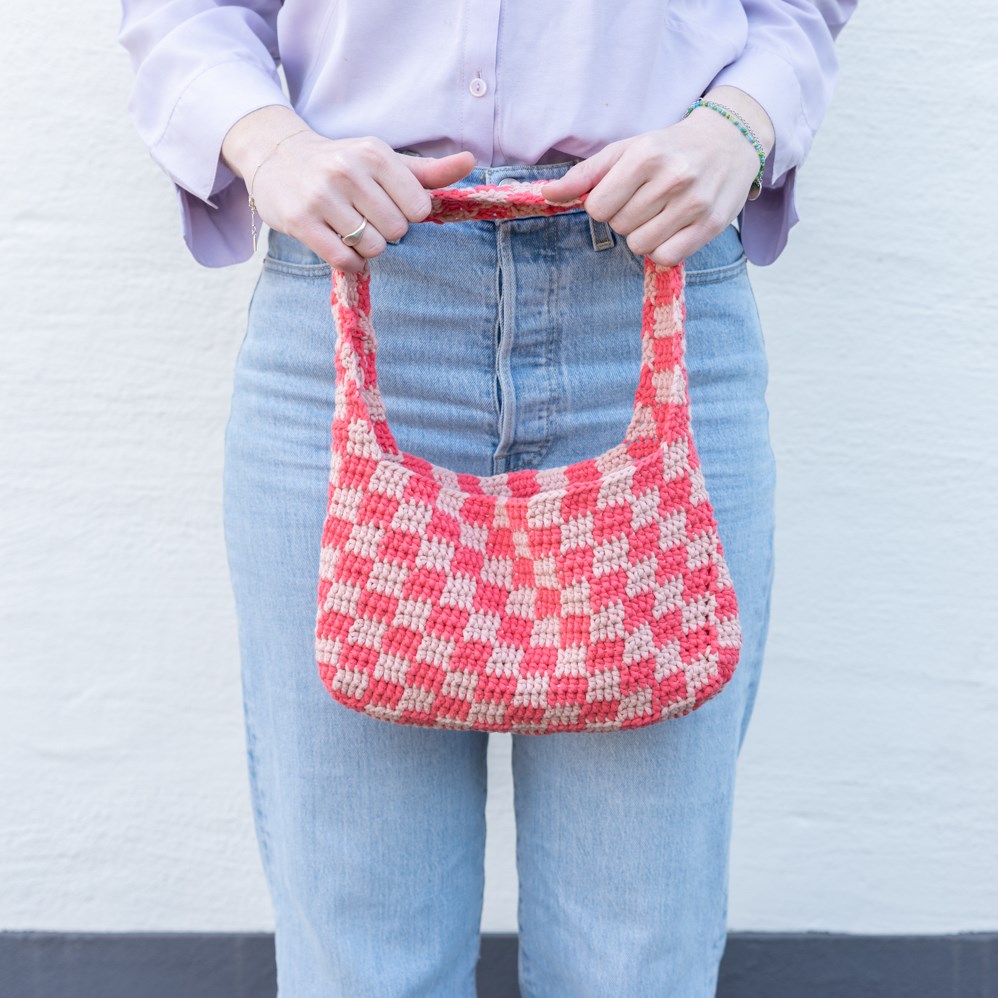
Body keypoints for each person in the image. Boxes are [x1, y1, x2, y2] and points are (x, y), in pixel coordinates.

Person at [119, 3, 856, 995]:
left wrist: (739, 123)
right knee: (361, 963)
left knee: (633, 962)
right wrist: (269, 141)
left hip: (647, 297)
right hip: (359, 295)